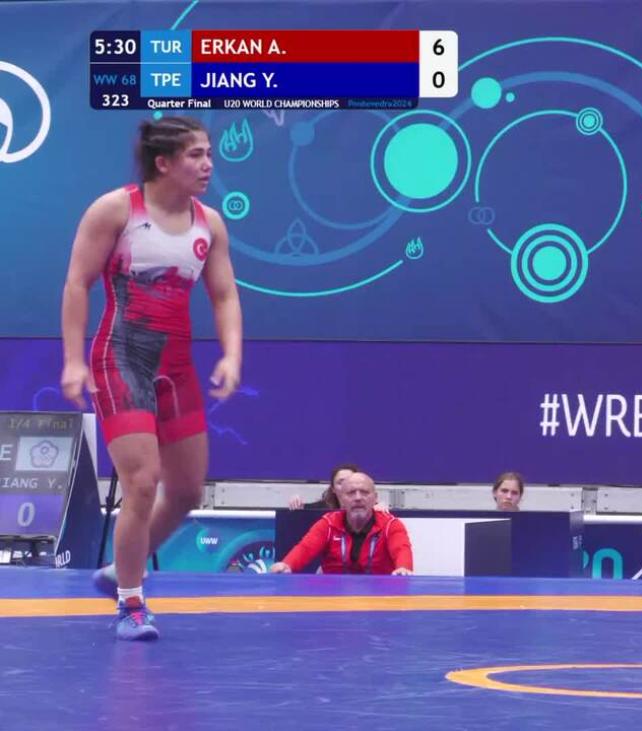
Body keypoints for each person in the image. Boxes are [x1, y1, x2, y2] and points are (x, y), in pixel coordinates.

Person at [61, 116, 242, 641]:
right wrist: (73, 360)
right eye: (196, 155)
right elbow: (77, 283)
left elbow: (224, 295)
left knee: (185, 492)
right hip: (122, 358)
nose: (208, 165)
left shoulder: (210, 223)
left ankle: (123, 568)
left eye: (209, 154)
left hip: (176, 366)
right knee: (142, 482)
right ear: (163, 163)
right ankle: (131, 603)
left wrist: (232, 355)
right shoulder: (116, 210)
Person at [271, 472, 413, 575]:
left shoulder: (391, 525)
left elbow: (402, 550)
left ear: (375, 498)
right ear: (341, 499)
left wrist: (404, 568)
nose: (358, 498)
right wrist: (287, 564)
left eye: (364, 492)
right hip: (333, 597)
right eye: (351, 493)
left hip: (380, 597)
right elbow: (305, 548)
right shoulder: (327, 523)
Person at [288, 462, 359, 511]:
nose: (346, 486)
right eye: (341, 482)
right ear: (333, 489)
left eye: (350, 481)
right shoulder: (319, 510)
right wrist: (296, 504)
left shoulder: (364, 509)